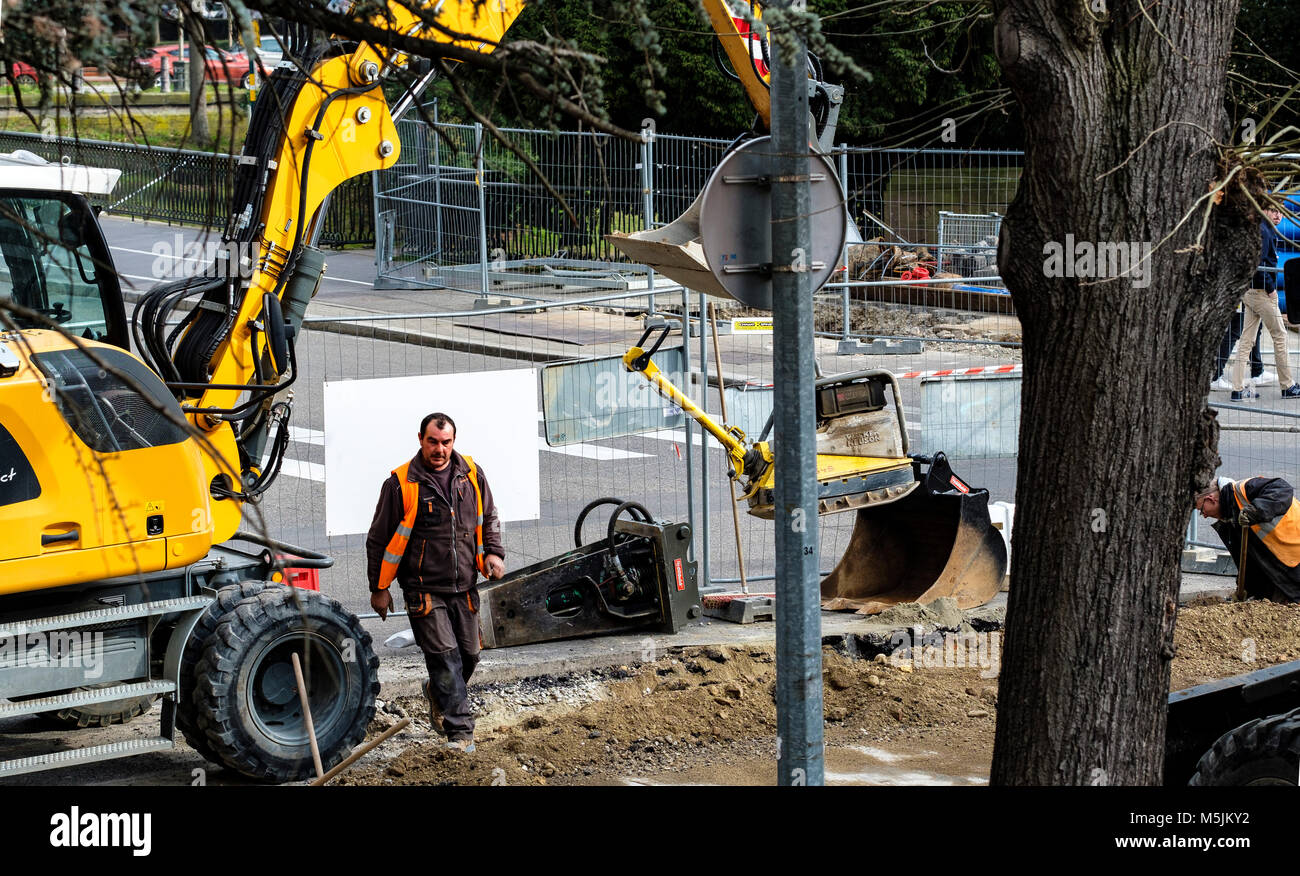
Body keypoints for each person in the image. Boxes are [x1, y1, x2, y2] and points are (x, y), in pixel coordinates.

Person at [366, 412, 506, 752]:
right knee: (445, 657)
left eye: (445, 443)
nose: (439, 450)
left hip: (465, 587)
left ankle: (436, 691)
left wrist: (494, 553)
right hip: (423, 590)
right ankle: (461, 733)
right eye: (433, 442)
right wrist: (378, 588)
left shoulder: (470, 474)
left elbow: (488, 516)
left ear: (453, 442)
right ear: (420, 439)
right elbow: (378, 539)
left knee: (469, 655)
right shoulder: (401, 484)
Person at [1227, 205, 1300, 401]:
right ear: (1264, 210)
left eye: (1281, 212)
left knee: (1247, 340)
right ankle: (1288, 386)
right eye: (1274, 210)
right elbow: (1259, 266)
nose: (1278, 215)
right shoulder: (1264, 231)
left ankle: (1237, 388)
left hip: (1250, 292)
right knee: (1280, 336)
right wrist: (1271, 290)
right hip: (1261, 293)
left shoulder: (1260, 228)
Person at [1194, 476, 1300, 602]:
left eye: (1201, 510)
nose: (1204, 515)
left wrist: (1255, 511)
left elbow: (1282, 489)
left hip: (1294, 551)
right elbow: (1248, 561)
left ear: (1211, 499)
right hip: (1283, 561)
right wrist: (1245, 590)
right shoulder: (1230, 519)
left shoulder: (1245, 490)